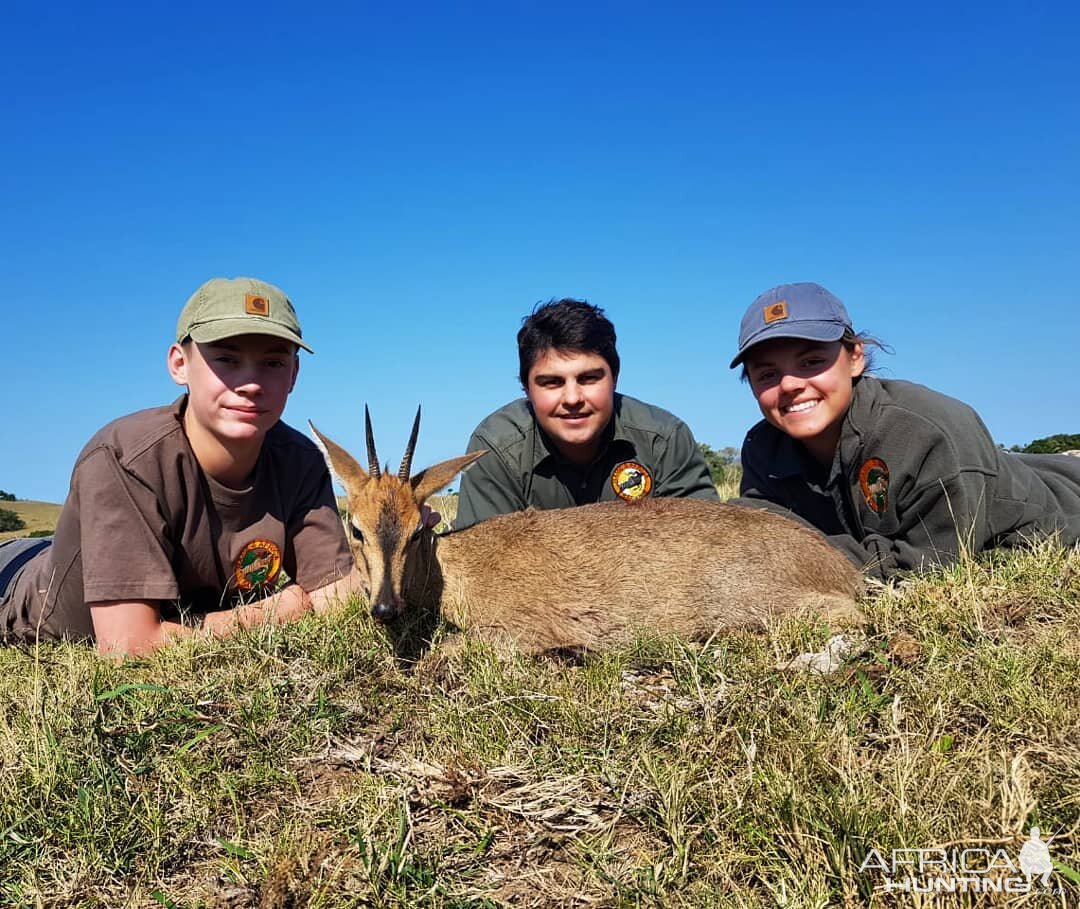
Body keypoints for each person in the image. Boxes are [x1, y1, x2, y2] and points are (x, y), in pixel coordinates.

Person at [0, 276, 366, 656]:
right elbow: (130, 646)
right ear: (179, 364)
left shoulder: (300, 461)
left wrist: (410, 542)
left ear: (293, 375)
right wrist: (276, 611)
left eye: (273, 362)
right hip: (17, 582)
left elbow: (334, 597)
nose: (251, 383)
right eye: (226, 359)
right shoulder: (126, 459)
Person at [729, 281, 1080, 580]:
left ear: (855, 358)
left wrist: (800, 559)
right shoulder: (763, 449)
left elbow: (929, 565)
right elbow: (763, 537)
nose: (790, 384)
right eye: (767, 374)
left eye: (811, 362)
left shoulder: (925, 431)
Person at [454, 298, 718, 530]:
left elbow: (704, 545)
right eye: (552, 382)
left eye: (589, 378)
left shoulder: (664, 439)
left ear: (614, 378)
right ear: (527, 389)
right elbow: (488, 567)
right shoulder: (495, 449)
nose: (572, 399)